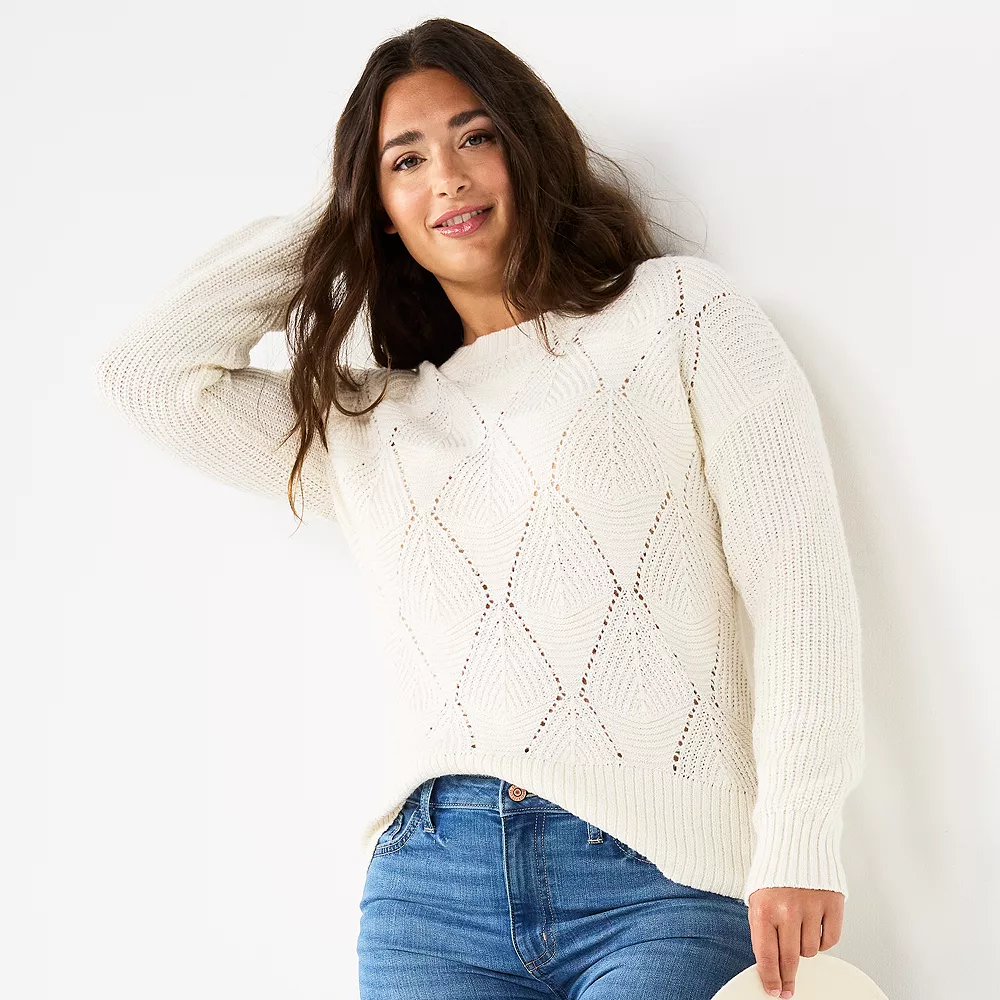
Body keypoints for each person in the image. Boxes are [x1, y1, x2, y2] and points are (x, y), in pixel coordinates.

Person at [93, 17, 864, 1000]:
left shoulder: (679, 316)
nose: (448, 178)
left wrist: (799, 832)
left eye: (474, 136)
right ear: (377, 204)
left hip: (662, 879)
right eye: (406, 160)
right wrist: (340, 214)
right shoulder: (371, 424)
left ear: (527, 145)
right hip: (432, 894)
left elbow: (799, 586)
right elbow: (148, 376)